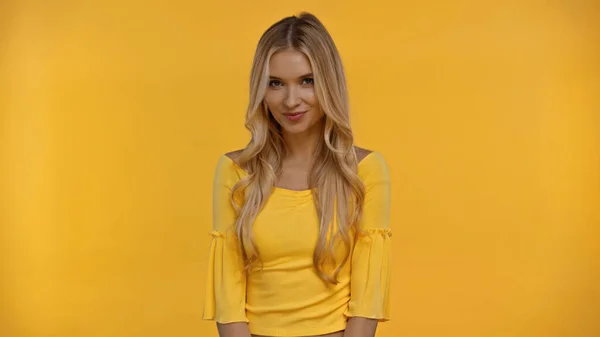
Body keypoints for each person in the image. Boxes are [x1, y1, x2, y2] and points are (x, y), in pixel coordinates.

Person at [203, 12, 392, 337]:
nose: (291, 101)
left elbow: (367, 300)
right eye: (275, 83)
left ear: (329, 83)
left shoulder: (363, 170)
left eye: (308, 81)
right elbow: (228, 295)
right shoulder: (236, 172)